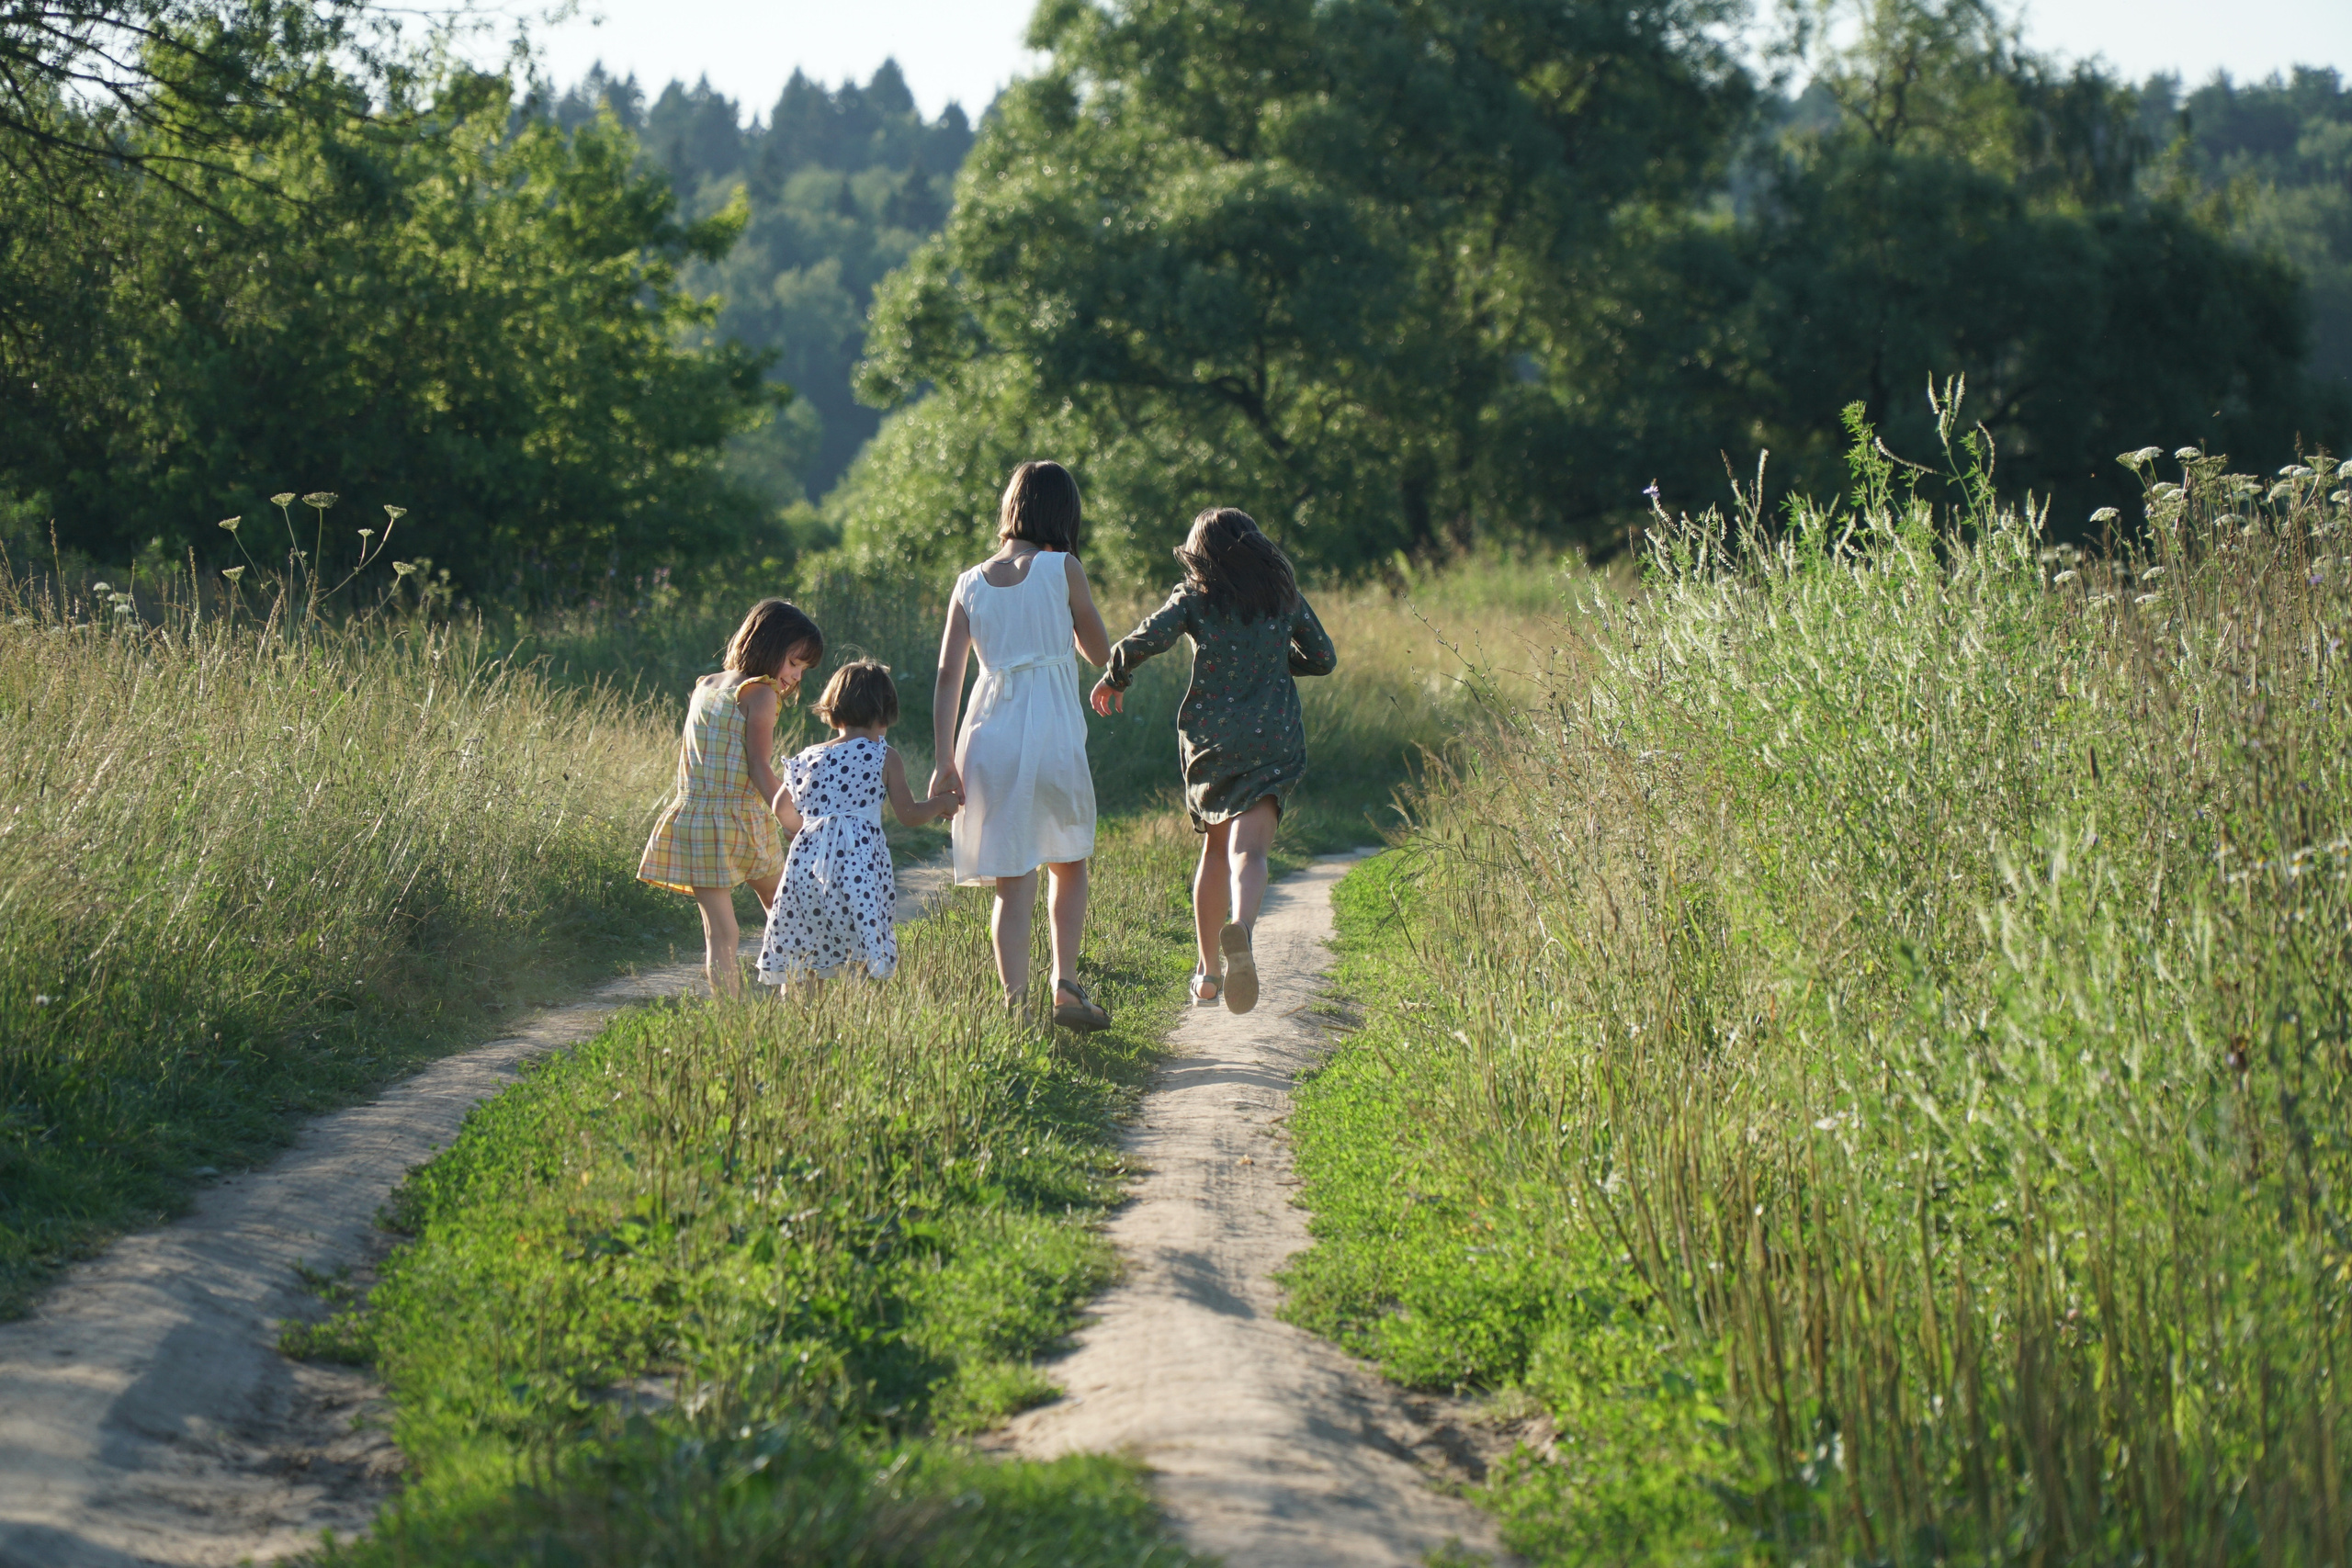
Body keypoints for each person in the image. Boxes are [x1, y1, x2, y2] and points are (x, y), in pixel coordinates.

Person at [1091, 507, 1336, 1014]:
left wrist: (1116, 675)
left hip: (1212, 741)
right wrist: (1272, 657)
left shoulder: (1196, 597)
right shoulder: (1282, 596)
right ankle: (1241, 930)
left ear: (1200, 555)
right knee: (1253, 852)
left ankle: (1207, 973)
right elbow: (1323, 658)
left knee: (1215, 851)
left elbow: (1150, 636)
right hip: (1272, 738)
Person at [930, 460, 1115, 1030]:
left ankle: (1016, 1006)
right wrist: (1110, 674)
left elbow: (947, 675)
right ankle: (1065, 985)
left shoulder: (967, 583)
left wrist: (942, 760)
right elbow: (1098, 650)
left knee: (1013, 882)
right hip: (1052, 730)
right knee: (1068, 860)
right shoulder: (1064, 568)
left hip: (989, 732)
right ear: (1063, 513)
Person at [638, 598, 824, 996]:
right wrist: (796, 821)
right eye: (794, 663)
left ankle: (729, 1023)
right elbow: (759, 768)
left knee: (720, 935)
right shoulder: (760, 694)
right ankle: (805, 1005)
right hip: (743, 821)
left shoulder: (704, 686)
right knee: (786, 911)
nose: (795, 676)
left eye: (803, 669)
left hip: (696, 821)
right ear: (770, 645)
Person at [756, 661, 960, 987]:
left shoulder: (809, 756)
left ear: (833, 708)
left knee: (806, 949)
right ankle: (861, 1013)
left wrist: (807, 827)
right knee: (862, 945)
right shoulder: (883, 755)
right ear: (885, 712)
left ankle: (802, 1021)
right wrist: (941, 804)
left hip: (809, 868)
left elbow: (781, 807)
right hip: (857, 871)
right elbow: (908, 814)